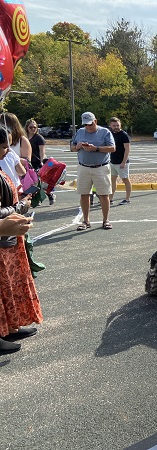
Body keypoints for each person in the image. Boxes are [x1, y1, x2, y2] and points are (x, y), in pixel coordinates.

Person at [0, 126, 42, 355]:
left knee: (9, 289)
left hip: (8, 239)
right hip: (3, 238)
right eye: (4, 146)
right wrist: (19, 207)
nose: (8, 151)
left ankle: (9, 327)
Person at [71, 112, 116, 231]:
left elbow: (112, 148)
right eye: (85, 125)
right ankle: (86, 221)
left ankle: (106, 220)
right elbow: (72, 147)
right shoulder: (80, 132)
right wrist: (77, 147)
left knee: (104, 194)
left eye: (90, 124)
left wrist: (95, 148)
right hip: (83, 167)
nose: (87, 127)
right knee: (84, 194)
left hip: (101, 167)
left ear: (95, 121)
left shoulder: (105, 132)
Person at [26, 119, 56, 205]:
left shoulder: (39, 138)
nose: (33, 129)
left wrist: (43, 162)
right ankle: (35, 199)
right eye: (31, 127)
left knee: (39, 182)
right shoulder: (24, 137)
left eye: (34, 127)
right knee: (29, 182)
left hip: (37, 163)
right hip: (27, 163)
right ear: (27, 128)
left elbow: (42, 151)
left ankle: (50, 194)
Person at [108, 117, 132, 205]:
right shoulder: (110, 134)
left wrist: (123, 162)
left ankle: (127, 199)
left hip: (122, 162)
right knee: (112, 180)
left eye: (117, 125)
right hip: (112, 161)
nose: (116, 127)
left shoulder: (124, 135)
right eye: (114, 125)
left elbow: (127, 149)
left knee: (125, 180)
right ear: (110, 125)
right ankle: (110, 199)